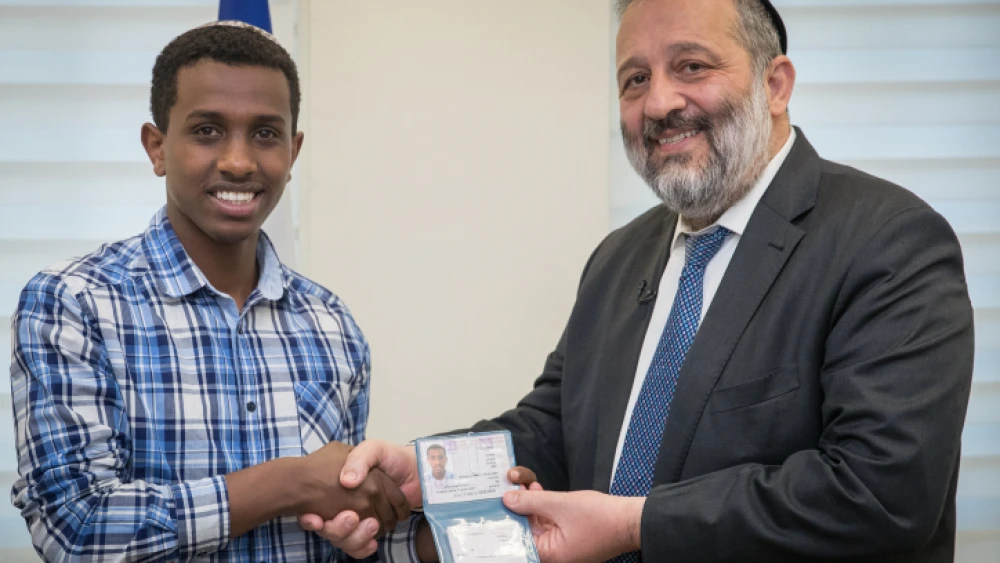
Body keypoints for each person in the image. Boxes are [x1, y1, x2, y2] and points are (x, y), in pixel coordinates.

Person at [302, 0, 974, 561]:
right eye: (633, 79)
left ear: (776, 84)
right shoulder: (620, 257)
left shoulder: (888, 239)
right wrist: (436, 472)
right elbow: (552, 431)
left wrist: (635, 523)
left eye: (692, 66)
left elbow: (880, 494)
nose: (659, 103)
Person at [9, 22, 408, 561]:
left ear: (293, 152)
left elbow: (346, 536)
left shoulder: (331, 322)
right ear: (157, 147)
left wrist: (467, 515)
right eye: (207, 131)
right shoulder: (74, 302)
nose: (239, 161)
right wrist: (290, 482)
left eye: (265, 134)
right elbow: (75, 529)